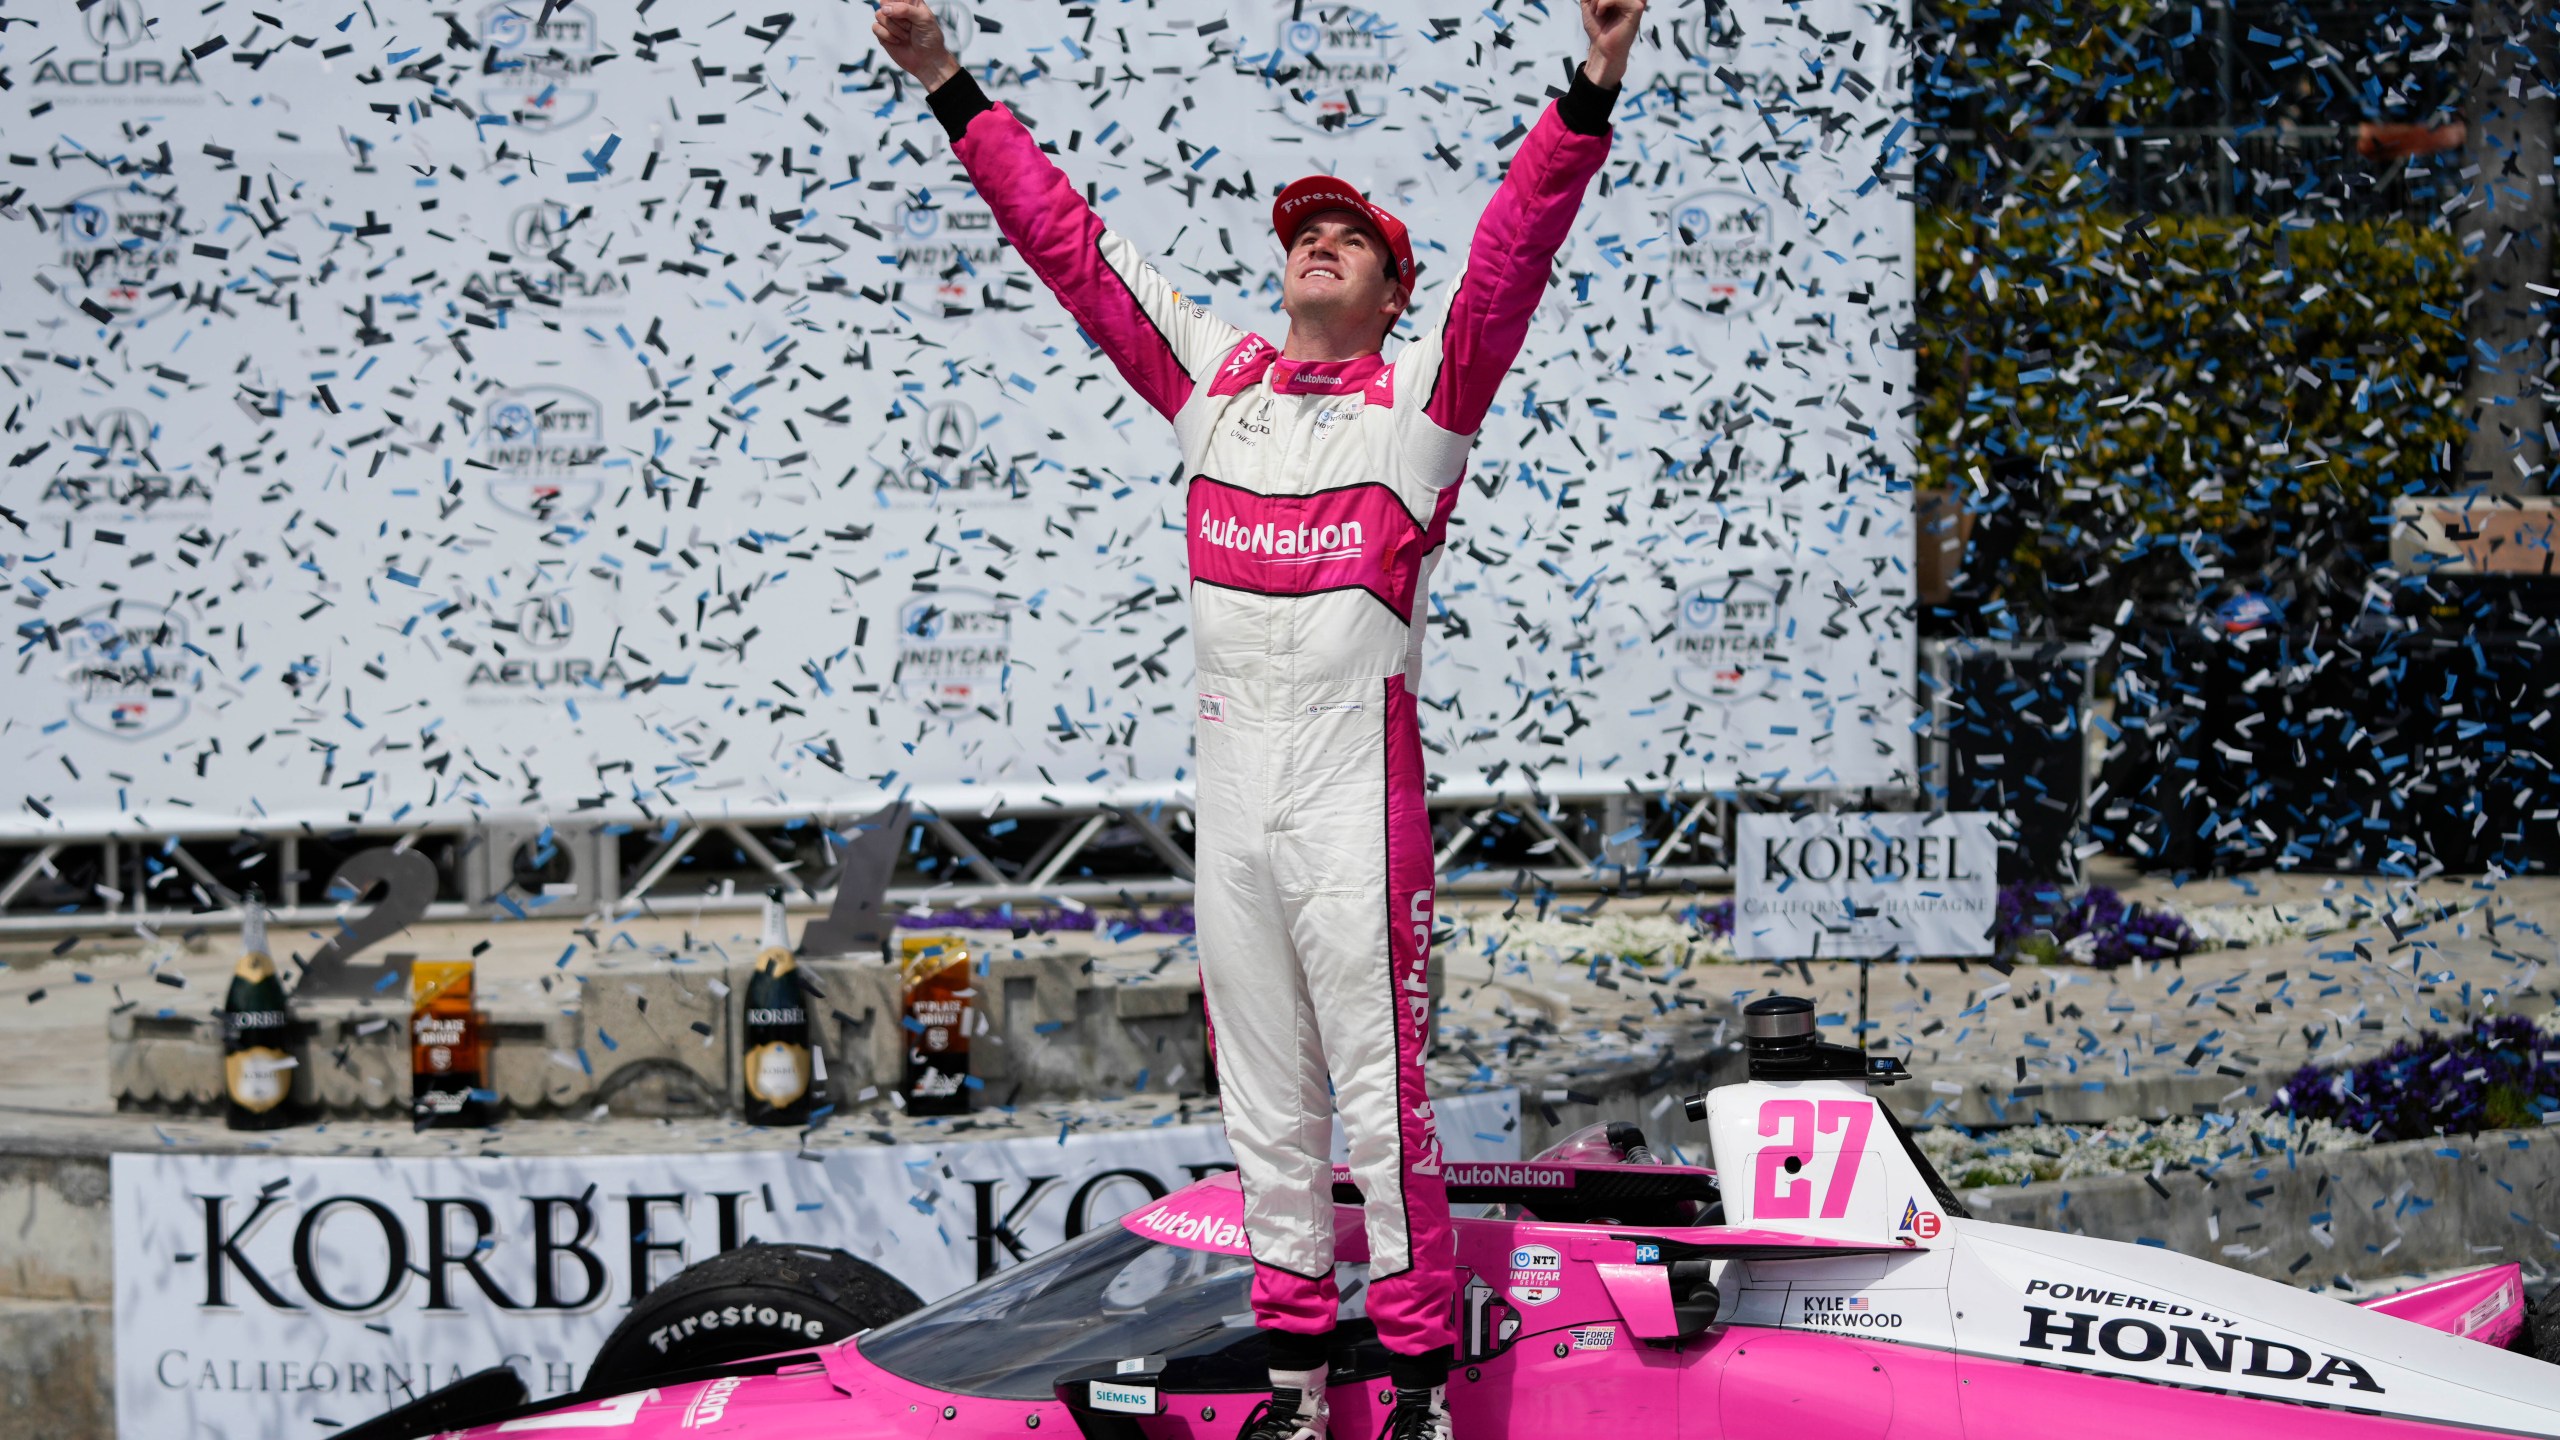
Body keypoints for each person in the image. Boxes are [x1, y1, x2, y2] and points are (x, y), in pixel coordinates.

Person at [872, 3, 1644, 1436]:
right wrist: (942, 77)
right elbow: (1075, 253)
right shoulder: (1214, 386)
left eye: (1350, 235)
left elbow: (1515, 253)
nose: (1317, 241)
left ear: (1396, 293)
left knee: (1379, 1104)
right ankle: (1295, 1391)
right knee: (1266, 1115)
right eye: (1304, 228)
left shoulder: (1424, 395)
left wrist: (1591, 80)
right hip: (1235, 802)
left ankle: (1415, 1389)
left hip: (1357, 798)